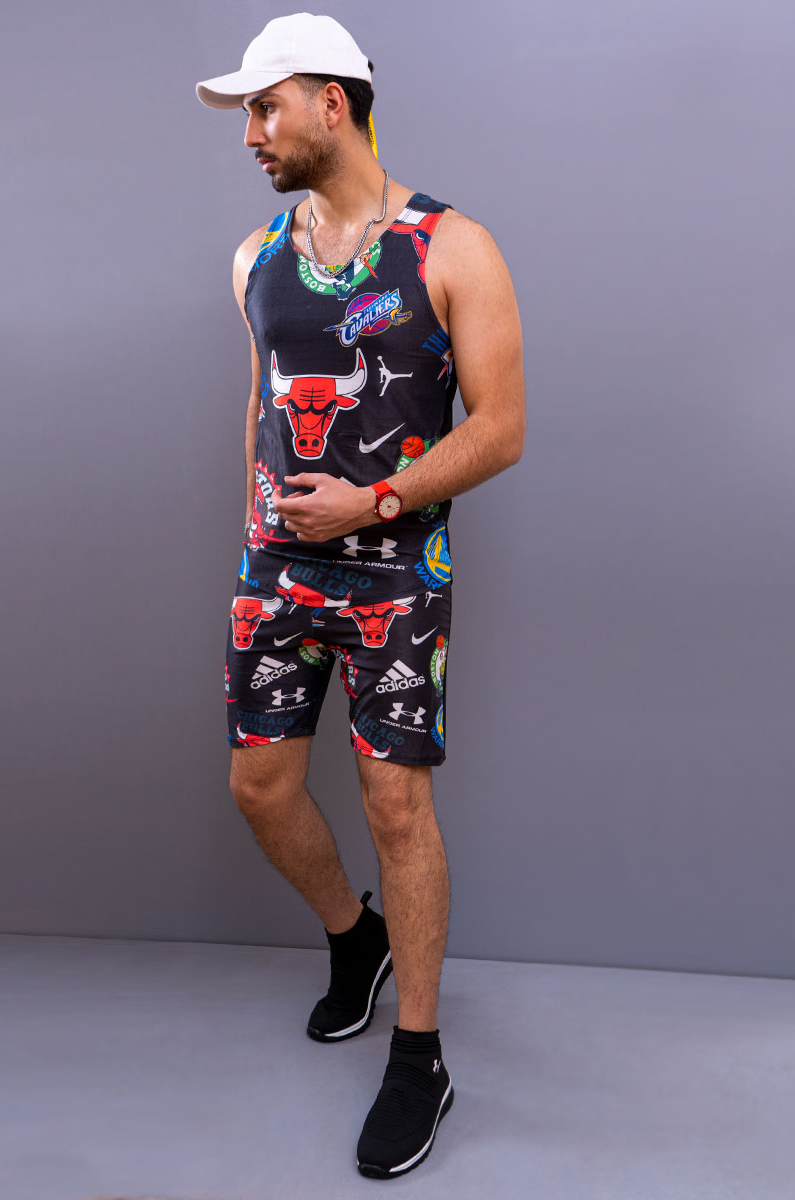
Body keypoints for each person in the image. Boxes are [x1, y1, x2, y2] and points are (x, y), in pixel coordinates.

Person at [196, 12, 524, 1180]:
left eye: (265, 106)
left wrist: (373, 502)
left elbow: (501, 429)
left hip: (394, 574)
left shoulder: (451, 247)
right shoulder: (255, 256)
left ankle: (419, 1057)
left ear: (331, 102)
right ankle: (355, 936)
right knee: (259, 787)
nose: (251, 133)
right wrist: (258, 531)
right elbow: (263, 403)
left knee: (397, 811)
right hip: (276, 572)